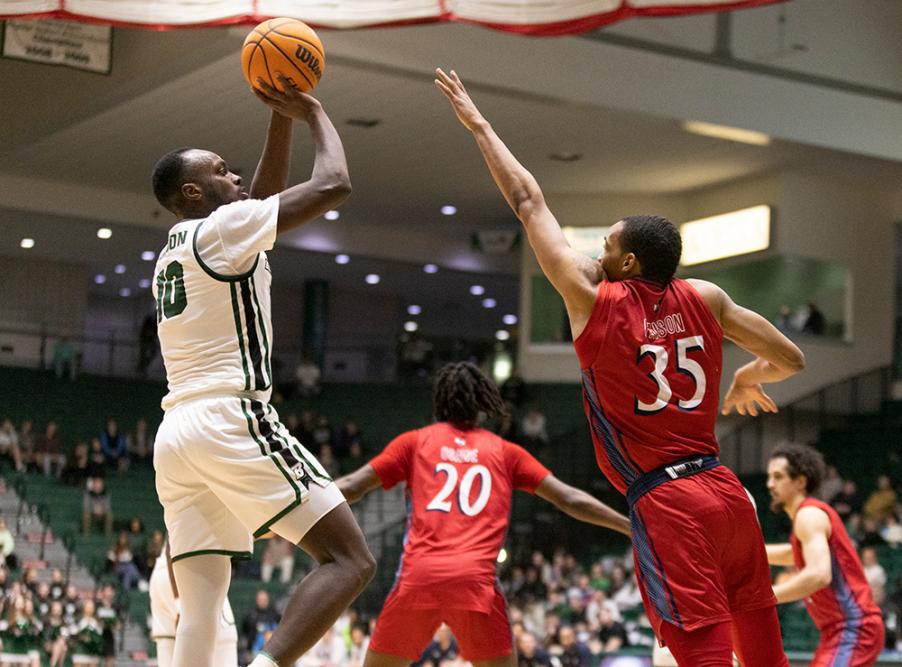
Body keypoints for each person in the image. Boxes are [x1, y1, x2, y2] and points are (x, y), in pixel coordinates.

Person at [435, 68, 804, 666]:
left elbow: (528, 200)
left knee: (705, 659)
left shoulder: (591, 296)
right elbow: (791, 357)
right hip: (727, 492)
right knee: (767, 659)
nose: (595, 254)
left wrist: (478, 124)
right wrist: (749, 376)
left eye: (605, 245)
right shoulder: (707, 298)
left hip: (669, 501)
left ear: (629, 262)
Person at [150, 73, 372, 667]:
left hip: (176, 436)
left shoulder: (179, 241)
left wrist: (280, 116)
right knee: (351, 560)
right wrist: (315, 112)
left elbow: (257, 202)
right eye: (220, 170)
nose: (235, 175)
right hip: (230, 415)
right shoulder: (222, 232)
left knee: (200, 606)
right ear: (193, 192)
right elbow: (334, 184)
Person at [337, 361, 630, 667]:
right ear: (481, 404)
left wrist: (292, 509)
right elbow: (569, 498)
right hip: (474, 584)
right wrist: (630, 527)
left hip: (419, 578)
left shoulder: (415, 442)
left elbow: (350, 486)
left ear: (440, 403)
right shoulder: (505, 452)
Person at [765, 443, 884, 666]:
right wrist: (746, 552)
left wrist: (766, 596)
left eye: (778, 477)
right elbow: (794, 553)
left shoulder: (808, 515)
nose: (770, 484)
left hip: (853, 627)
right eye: (770, 476)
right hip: (838, 630)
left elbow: (819, 575)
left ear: (800, 481)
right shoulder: (810, 516)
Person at [150, 538, 237, 667]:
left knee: (169, 648)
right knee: (225, 637)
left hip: (164, 573)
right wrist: (180, 604)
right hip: (189, 567)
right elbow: (171, 541)